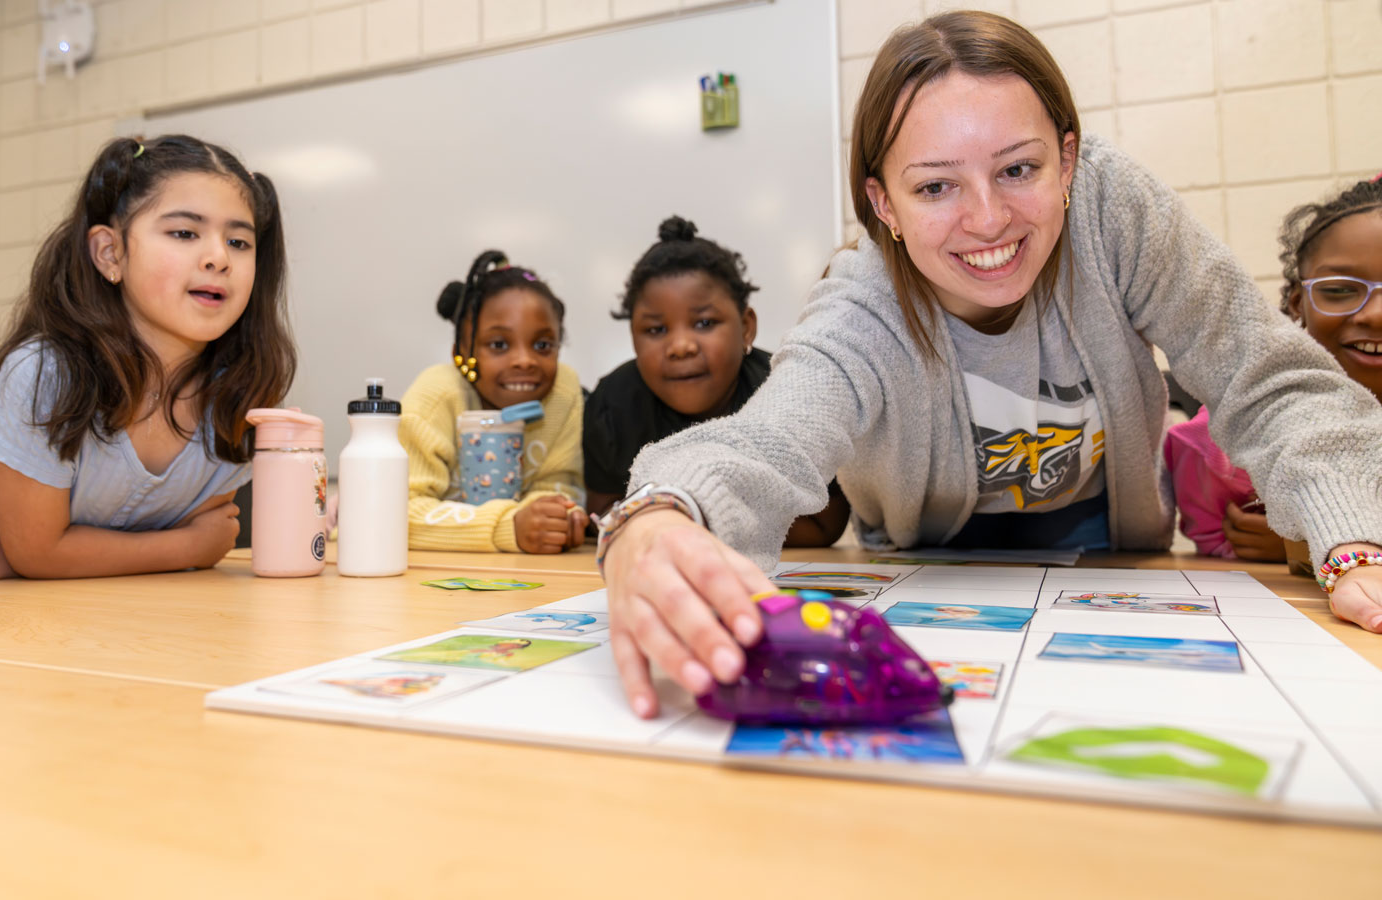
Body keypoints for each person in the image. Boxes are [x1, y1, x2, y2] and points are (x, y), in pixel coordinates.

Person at [593, 11, 1382, 719]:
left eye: (1018, 170)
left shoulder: (1116, 213)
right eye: (936, 186)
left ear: (1067, 161)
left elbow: (1268, 376)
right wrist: (657, 515)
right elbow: (766, 441)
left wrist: (1353, 541)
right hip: (923, 573)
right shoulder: (863, 300)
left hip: (1110, 558)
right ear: (884, 205)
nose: (988, 219)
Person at [0, 135, 295, 581]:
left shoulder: (240, 391)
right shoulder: (44, 374)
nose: (218, 258)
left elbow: (44, 558)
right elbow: (41, 554)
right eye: (185, 233)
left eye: (239, 242)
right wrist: (189, 545)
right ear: (110, 253)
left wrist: (43, 558)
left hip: (102, 613)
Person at [583, 215, 850, 546]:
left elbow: (827, 524)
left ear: (746, 328)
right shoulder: (612, 403)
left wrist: (706, 520)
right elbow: (599, 513)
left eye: (705, 323)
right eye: (655, 330)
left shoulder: (787, 391)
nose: (681, 347)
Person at [1167, 176, 1382, 561]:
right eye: (1338, 289)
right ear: (1298, 303)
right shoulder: (1228, 445)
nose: (1375, 314)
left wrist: (1301, 547)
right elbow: (1220, 546)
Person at [399, 251, 586, 553]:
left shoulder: (562, 393)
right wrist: (508, 526)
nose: (525, 361)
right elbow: (393, 515)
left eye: (542, 345)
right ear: (460, 352)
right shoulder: (436, 397)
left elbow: (558, 486)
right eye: (499, 344)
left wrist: (559, 517)